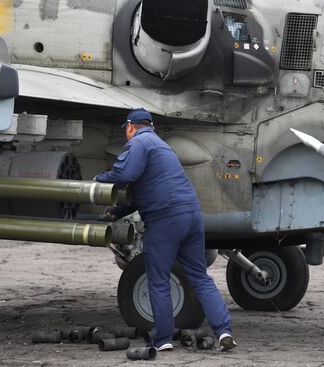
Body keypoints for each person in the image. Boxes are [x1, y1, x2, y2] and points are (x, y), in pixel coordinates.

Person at [94, 108, 236, 352]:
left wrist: (99, 179)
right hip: (191, 216)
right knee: (200, 278)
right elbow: (148, 189)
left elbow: (125, 174)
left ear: (130, 126)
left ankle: (163, 339)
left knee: (158, 279)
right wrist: (117, 212)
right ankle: (224, 332)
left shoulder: (139, 143)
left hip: (165, 220)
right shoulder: (161, 146)